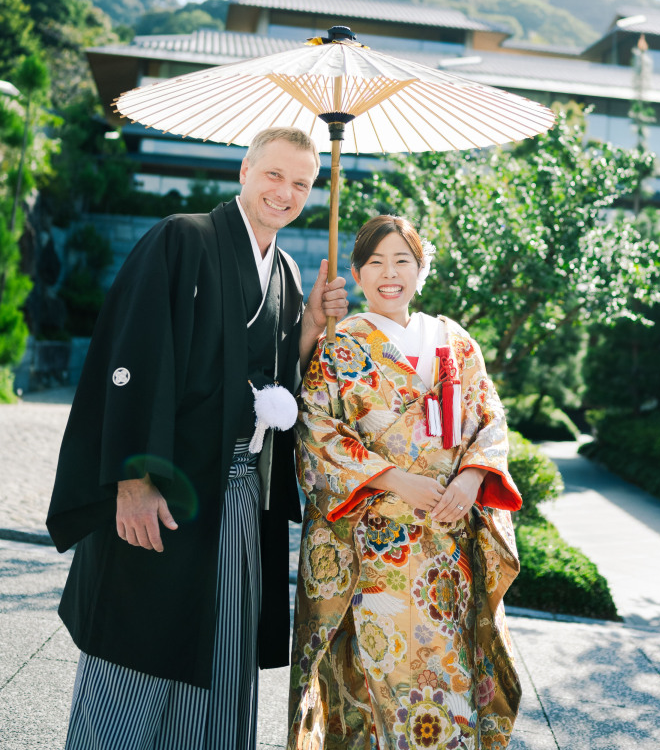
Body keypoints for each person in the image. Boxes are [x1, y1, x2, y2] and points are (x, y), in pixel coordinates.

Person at [47, 126, 349, 750]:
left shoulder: (289, 273)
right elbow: (131, 357)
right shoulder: (182, 237)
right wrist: (132, 481)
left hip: (237, 496)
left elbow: (274, 384)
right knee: (139, 647)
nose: (284, 192)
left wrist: (311, 325)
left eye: (300, 183)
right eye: (274, 174)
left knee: (219, 655)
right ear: (244, 169)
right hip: (166, 484)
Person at [289, 214, 522, 750]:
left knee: (453, 677)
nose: (388, 274)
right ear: (354, 273)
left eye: (402, 261)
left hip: (448, 548)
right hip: (377, 550)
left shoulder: (455, 341)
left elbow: (489, 416)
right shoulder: (337, 346)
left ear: (422, 269)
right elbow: (316, 431)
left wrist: (470, 477)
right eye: (374, 262)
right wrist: (394, 480)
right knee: (379, 682)